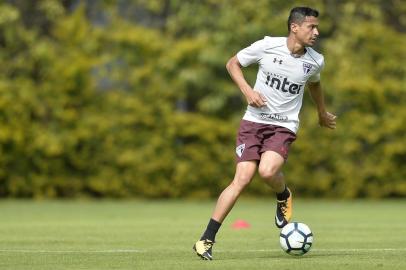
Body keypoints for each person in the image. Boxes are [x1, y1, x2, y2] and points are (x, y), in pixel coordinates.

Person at [193, 6, 336, 260]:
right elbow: (232, 64)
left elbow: (315, 85)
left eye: (316, 26)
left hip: (284, 125)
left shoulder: (315, 60)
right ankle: (206, 239)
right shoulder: (268, 45)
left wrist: (322, 113)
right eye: (311, 26)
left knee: (267, 171)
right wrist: (248, 91)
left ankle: (283, 194)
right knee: (242, 179)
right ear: (294, 27)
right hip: (253, 122)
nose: (316, 31)